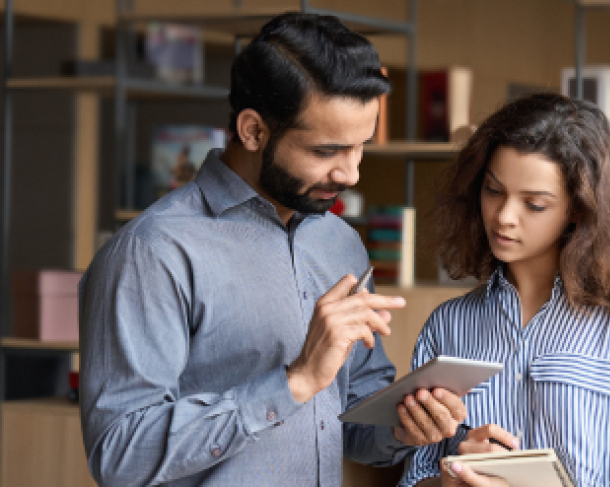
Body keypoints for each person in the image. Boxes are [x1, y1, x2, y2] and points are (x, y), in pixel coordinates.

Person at [79, 12, 467, 487]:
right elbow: (119, 455)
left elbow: (350, 422)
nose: (350, 174)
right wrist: (294, 382)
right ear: (253, 130)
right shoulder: (153, 252)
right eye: (326, 151)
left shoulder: (339, 242)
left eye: (360, 146)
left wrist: (406, 424)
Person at [398, 93, 610, 486]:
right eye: (493, 190)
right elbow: (416, 475)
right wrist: (449, 481)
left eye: (534, 204)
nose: (504, 216)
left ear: (578, 209)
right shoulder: (448, 326)